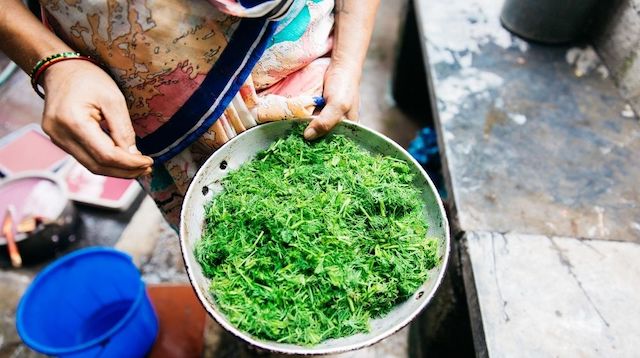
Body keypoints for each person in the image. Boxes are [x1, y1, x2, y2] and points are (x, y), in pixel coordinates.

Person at [0, 0, 380, 228]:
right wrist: (54, 64)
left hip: (292, 60)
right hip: (151, 100)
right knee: (225, 253)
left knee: (343, 212)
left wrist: (347, 64)